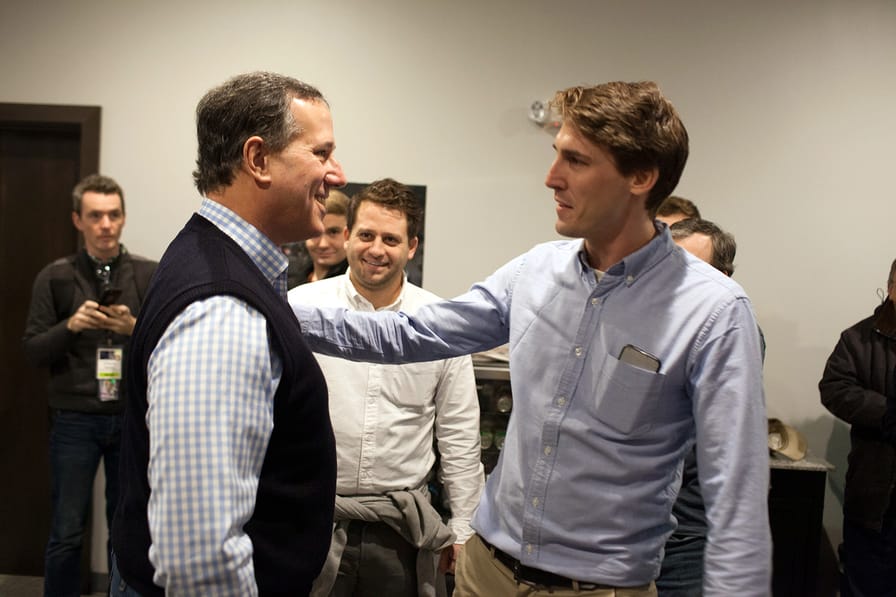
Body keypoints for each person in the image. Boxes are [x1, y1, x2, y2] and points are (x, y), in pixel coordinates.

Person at [292, 81, 770, 596]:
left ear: (641, 177)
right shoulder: (536, 271)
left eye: (575, 161)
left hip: (597, 588)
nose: (551, 177)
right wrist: (276, 309)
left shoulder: (714, 312)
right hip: (487, 573)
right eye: (556, 154)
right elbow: (413, 333)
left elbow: (736, 502)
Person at [110, 71, 346, 596]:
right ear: (258, 159)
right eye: (322, 153)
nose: (338, 173)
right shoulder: (222, 309)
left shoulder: (219, 262)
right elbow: (200, 558)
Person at [289, 177, 484, 597]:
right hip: (312, 518)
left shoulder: (440, 324)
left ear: (411, 247)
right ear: (346, 236)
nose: (376, 249)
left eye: (391, 239)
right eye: (366, 235)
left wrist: (464, 527)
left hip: (400, 532)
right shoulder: (301, 308)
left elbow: (459, 435)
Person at [22, 173, 157, 597]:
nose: (106, 225)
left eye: (113, 215)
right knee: (66, 530)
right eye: (95, 216)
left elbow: (172, 346)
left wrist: (135, 327)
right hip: (74, 418)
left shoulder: (147, 274)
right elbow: (33, 350)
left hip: (131, 416)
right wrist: (71, 326)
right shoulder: (55, 276)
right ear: (77, 220)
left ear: (124, 217)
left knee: (127, 526)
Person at [660, 217, 761, 597]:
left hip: (685, 532)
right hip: (629, 530)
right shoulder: (644, 325)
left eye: (691, 270)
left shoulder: (732, 333)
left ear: (724, 276)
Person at [820, 258, 896, 597]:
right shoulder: (858, 340)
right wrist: (888, 413)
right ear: (891, 288)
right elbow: (834, 389)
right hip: (876, 500)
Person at [293, 189, 350, 287]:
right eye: (315, 232)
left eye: (333, 232)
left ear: (349, 234)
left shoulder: (357, 287)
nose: (323, 244)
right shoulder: (289, 279)